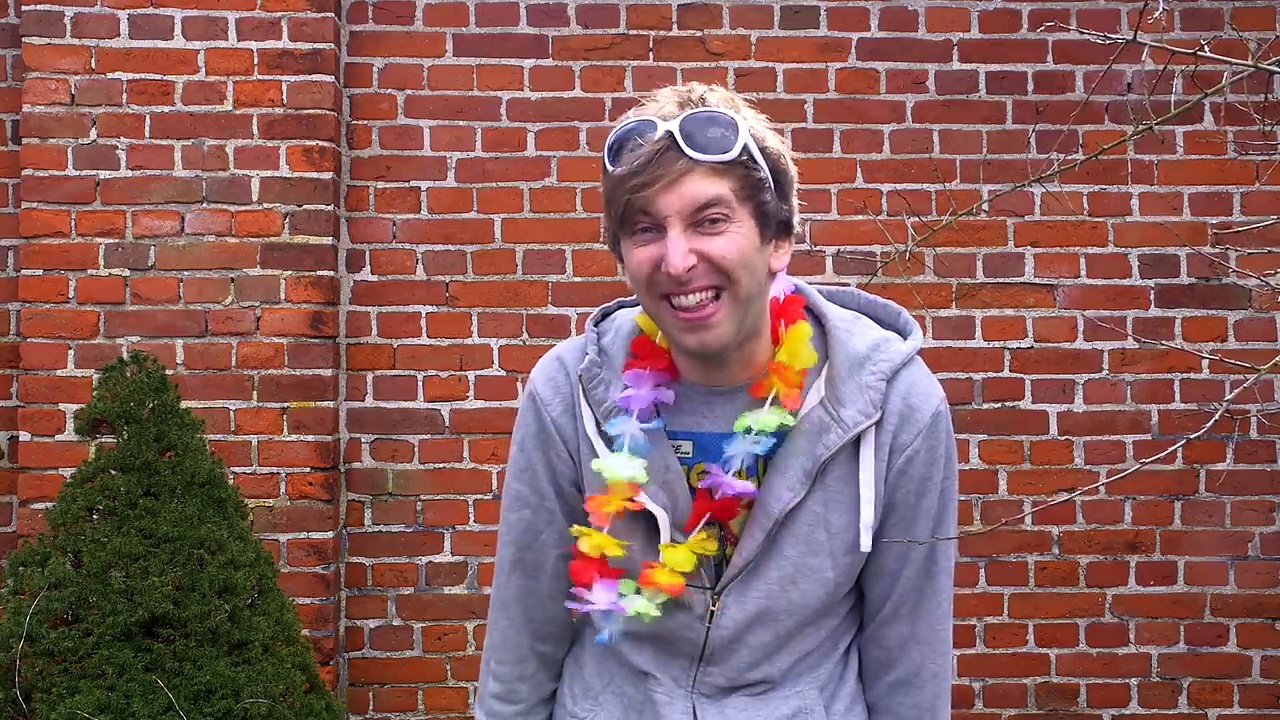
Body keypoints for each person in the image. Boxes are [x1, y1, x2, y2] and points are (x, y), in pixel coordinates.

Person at [476, 82, 958, 719]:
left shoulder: (893, 406)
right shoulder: (570, 391)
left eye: (710, 221)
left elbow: (910, 662)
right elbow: (523, 635)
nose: (677, 261)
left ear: (777, 239)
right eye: (646, 229)